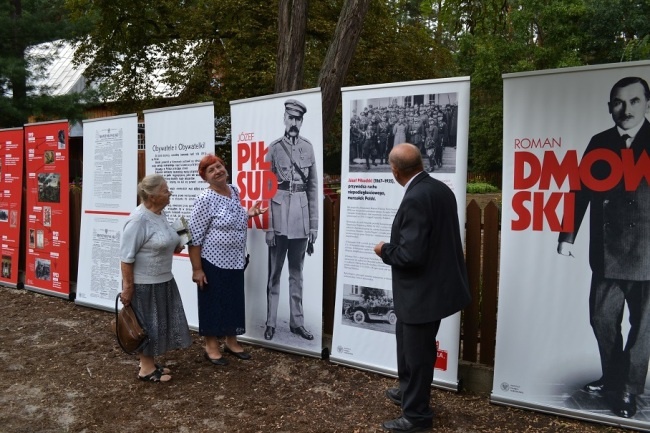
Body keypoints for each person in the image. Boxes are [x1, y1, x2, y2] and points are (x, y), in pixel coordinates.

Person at [557, 76, 650, 419]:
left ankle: (627, 389)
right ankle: (614, 377)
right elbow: (579, 191)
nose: (625, 110)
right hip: (607, 252)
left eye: (634, 101)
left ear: (647, 103)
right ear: (609, 106)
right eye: (618, 102)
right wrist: (567, 236)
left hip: (648, 252)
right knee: (601, 319)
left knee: (643, 329)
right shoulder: (600, 142)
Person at [374, 143, 471, 432]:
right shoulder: (439, 189)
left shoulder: (416, 197)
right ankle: (408, 393)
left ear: (395, 170)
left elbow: (410, 255)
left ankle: (416, 417)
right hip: (430, 289)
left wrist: (384, 250)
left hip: (422, 292)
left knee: (417, 356)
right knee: (407, 346)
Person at [189, 154, 267, 365]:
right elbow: (194, 238)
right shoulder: (204, 199)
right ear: (205, 177)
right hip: (212, 261)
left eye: (219, 166)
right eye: (211, 170)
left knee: (233, 300)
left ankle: (231, 342)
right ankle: (211, 346)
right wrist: (197, 269)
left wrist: (249, 213)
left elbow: (233, 216)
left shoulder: (234, 191)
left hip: (235, 260)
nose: (217, 171)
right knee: (213, 302)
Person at [119, 174, 192, 383]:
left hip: (163, 280)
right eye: (165, 190)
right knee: (147, 324)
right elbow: (126, 258)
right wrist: (128, 288)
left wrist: (178, 240)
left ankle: (148, 363)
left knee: (156, 323)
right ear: (151, 196)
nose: (169, 193)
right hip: (144, 284)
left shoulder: (159, 214)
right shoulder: (137, 220)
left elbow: (164, 241)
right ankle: (146, 370)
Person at [264, 98, 318, 342]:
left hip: (301, 219)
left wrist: (314, 225)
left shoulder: (308, 148)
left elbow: (313, 188)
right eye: (291, 118)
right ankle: (271, 322)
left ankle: (297, 323)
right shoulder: (274, 149)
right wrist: (269, 227)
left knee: (297, 274)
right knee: (274, 274)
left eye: (298, 119)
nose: (294, 122)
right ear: (284, 119)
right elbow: (266, 191)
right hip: (279, 217)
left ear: (302, 121)